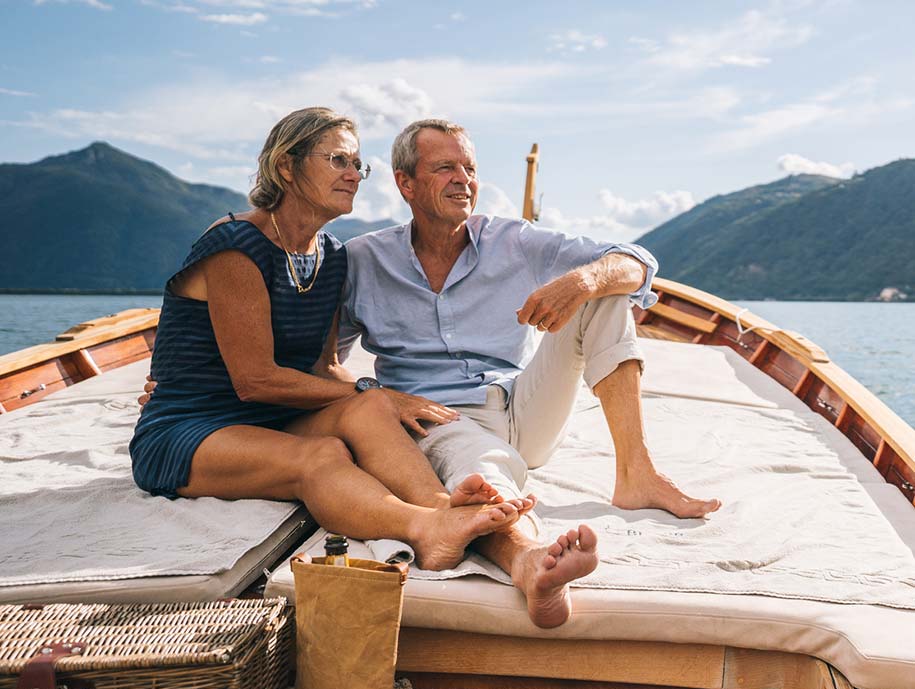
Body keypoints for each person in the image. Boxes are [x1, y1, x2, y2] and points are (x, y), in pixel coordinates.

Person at [333, 119, 723, 624]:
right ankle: (529, 561)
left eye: (470, 167)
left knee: (604, 297)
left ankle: (637, 474)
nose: (464, 179)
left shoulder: (511, 241)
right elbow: (324, 366)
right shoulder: (362, 261)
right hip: (442, 418)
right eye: (445, 167)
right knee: (483, 474)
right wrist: (377, 394)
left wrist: (582, 280)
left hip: (524, 405)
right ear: (405, 183)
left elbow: (638, 265)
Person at [129, 107, 533, 574]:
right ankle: (422, 528)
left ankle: (445, 508)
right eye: (338, 161)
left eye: (357, 165)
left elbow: (324, 368)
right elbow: (255, 380)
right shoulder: (236, 246)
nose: (354, 175)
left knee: (370, 406)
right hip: (192, 428)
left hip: (274, 419)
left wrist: (382, 403)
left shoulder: (332, 256)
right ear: (286, 166)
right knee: (325, 452)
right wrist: (377, 392)